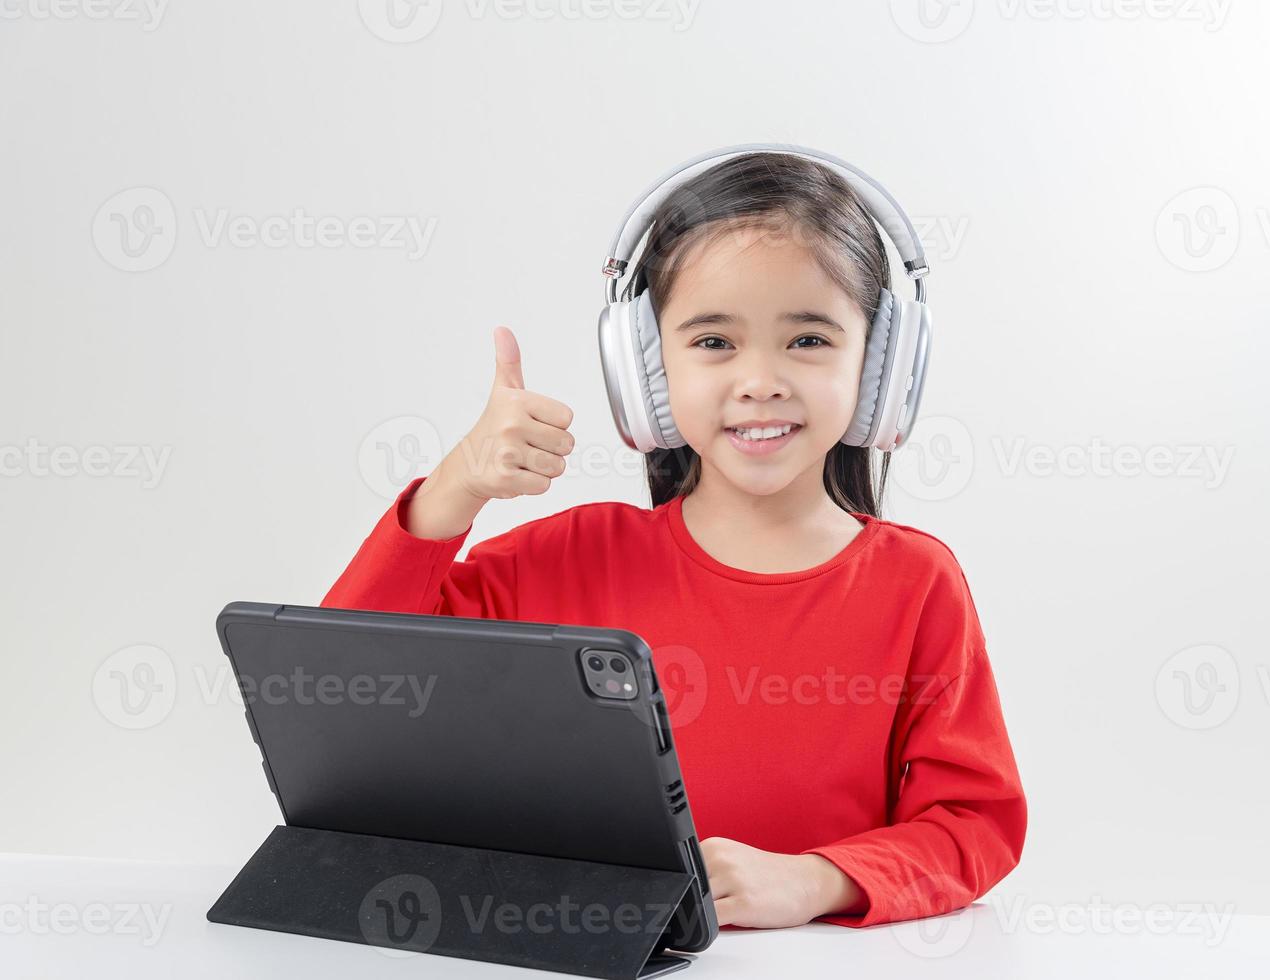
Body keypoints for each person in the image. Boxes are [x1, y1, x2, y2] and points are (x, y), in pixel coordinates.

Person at [322, 151, 1026, 930]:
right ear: (648, 371)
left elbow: (973, 823)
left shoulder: (916, 583)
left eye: (809, 340)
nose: (760, 379)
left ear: (883, 367)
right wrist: (457, 486)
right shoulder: (567, 560)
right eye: (715, 342)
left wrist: (816, 880)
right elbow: (347, 692)